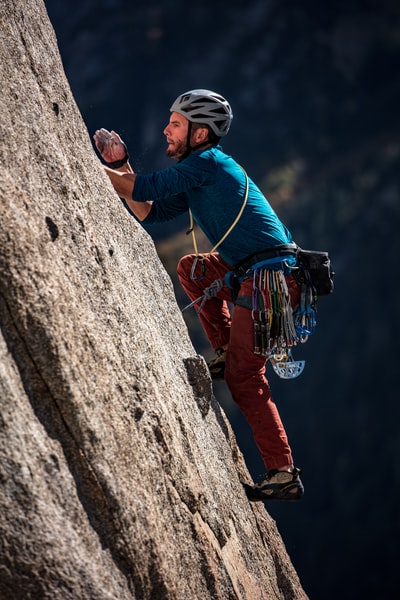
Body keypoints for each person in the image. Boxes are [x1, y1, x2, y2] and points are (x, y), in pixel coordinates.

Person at [93, 89, 304, 501]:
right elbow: (149, 209)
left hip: (269, 280)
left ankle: (283, 473)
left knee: (246, 379)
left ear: (200, 133)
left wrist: (91, 166)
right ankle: (225, 351)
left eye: (175, 125)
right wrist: (119, 166)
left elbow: (139, 187)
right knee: (192, 269)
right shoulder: (200, 168)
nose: (166, 131)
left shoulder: (206, 163)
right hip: (255, 272)